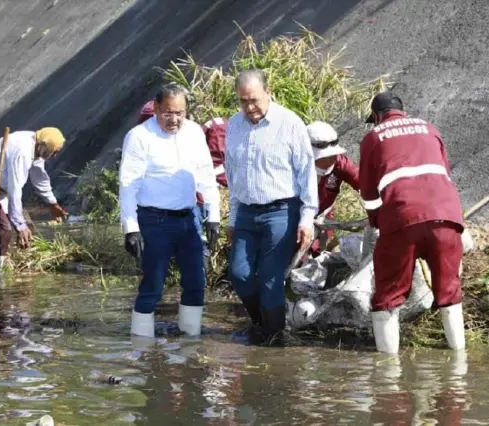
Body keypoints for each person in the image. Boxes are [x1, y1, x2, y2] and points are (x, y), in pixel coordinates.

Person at [359, 91, 467, 354]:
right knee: (450, 292)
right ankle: (459, 361)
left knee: (388, 296)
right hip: (447, 216)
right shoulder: (430, 129)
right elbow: (444, 173)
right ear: (402, 111)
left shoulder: (373, 137)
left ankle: (388, 373)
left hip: (402, 218)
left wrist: (376, 221)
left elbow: (369, 193)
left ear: (376, 116)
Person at [120, 83, 221, 339]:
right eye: (167, 113)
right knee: (153, 284)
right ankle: (141, 348)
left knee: (196, 283)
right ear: (155, 109)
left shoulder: (195, 133)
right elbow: (128, 185)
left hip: (189, 219)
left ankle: (191, 344)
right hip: (153, 220)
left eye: (180, 113)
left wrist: (214, 216)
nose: (174, 119)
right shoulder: (140, 136)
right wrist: (131, 229)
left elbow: (206, 175)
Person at [225, 69, 318, 344]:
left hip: (281, 210)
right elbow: (233, 174)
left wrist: (307, 217)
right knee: (239, 274)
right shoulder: (235, 125)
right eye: (243, 101)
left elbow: (306, 172)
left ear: (268, 92)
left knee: (269, 279)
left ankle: (275, 338)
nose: (249, 108)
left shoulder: (290, 123)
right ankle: (260, 324)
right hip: (246, 211)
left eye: (254, 100)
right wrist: (232, 218)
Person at [0, 128, 68, 275]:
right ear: (42, 145)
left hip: (2, 190)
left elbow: (39, 178)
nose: (54, 156)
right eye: (53, 151)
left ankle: (22, 263)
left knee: (28, 226)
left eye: (57, 152)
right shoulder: (23, 151)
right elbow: (15, 189)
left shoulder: (36, 146)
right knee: (5, 230)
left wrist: (53, 204)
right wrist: (19, 225)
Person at [306, 121, 359, 257]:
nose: (331, 160)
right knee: (299, 262)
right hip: (295, 224)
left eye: (333, 155)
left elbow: (363, 183)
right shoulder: (293, 166)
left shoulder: (340, 163)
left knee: (331, 256)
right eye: (326, 157)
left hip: (324, 222)